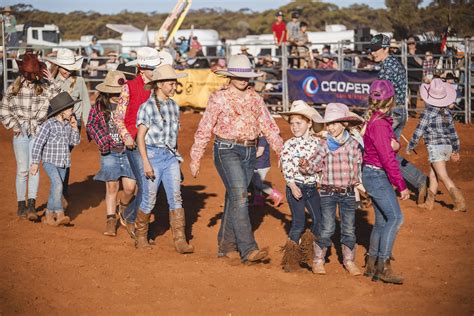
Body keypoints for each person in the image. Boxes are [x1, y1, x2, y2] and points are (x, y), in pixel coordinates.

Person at [190, 55, 283, 263]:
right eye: (238, 76)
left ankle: (226, 245)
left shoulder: (255, 98)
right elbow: (205, 127)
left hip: (250, 151)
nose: (243, 80)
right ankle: (248, 248)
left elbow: (268, 126)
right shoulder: (218, 97)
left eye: (246, 76)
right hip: (226, 149)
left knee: (235, 197)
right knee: (241, 195)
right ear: (230, 76)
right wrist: (196, 156)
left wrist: (281, 152)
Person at [113, 47, 171, 239]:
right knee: (146, 186)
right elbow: (118, 117)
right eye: (151, 67)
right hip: (135, 142)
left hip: (155, 143)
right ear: (141, 68)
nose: (154, 70)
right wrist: (126, 135)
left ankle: (130, 216)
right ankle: (132, 219)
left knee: (149, 186)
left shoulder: (159, 88)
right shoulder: (129, 87)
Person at [135, 64, 194, 252]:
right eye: (170, 83)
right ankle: (140, 236)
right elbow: (140, 137)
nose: (174, 87)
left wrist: (176, 159)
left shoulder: (174, 107)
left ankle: (180, 240)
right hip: (152, 155)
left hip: (170, 157)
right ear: (159, 84)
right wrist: (145, 162)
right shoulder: (147, 107)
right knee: (149, 199)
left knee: (176, 196)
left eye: (174, 83)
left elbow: (173, 137)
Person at [300, 103, 364, 276]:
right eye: (329, 124)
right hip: (328, 192)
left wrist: (361, 187)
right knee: (327, 228)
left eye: (335, 123)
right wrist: (306, 166)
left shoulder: (354, 144)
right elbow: (315, 164)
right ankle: (318, 260)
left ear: (344, 124)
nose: (331, 127)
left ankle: (349, 261)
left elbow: (359, 166)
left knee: (349, 229)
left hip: (348, 192)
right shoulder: (324, 144)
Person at [0, 53, 61, 220]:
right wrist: (14, 125)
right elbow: (4, 110)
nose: (33, 77)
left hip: (37, 131)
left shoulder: (44, 87)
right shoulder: (13, 89)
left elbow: (58, 98)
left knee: (34, 168)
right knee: (23, 170)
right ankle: (22, 205)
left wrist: (52, 80)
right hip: (22, 131)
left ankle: (31, 207)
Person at [370, 34, 428, 204]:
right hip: (400, 111)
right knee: (387, 151)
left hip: (390, 112)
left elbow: (382, 96)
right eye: (372, 49)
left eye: (376, 49)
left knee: (381, 149)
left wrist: (376, 115)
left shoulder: (387, 67)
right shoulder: (395, 63)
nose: (373, 53)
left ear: (386, 48)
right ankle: (418, 180)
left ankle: (415, 180)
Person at [362, 80, 409, 284]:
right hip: (377, 174)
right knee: (396, 218)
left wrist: (395, 145)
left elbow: (387, 148)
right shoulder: (380, 123)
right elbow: (387, 157)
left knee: (382, 220)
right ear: (390, 100)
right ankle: (383, 265)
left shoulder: (375, 120)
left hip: (371, 173)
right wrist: (401, 185)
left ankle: (372, 264)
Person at [86, 71, 136, 236]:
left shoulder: (130, 105)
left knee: (130, 187)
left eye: (119, 92)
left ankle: (122, 207)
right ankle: (110, 219)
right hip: (109, 152)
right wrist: (101, 139)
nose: (116, 96)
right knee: (112, 186)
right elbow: (91, 124)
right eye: (113, 92)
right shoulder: (99, 107)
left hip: (129, 151)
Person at [407, 79, 466, 212]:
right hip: (447, 146)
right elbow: (453, 132)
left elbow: (419, 130)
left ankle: (459, 201)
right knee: (433, 174)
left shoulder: (427, 113)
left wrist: (411, 144)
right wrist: (456, 149)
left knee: (443, 176)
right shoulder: (447, 113)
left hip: (435, 147)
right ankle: (429, 202)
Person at [279, 100, 324, 272]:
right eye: (292, 123)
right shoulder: (289, 144)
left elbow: (320, 164)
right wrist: (291, 185)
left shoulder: (318, 143)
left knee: (318, 220)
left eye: (299, 123)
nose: (295, 127)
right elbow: (286, 166)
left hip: (312, 188)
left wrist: (320, 180)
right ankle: (291, 259)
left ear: (309, 123)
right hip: (295, 186)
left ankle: (306, 249)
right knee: (298, 222)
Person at [30, 92, 81, 226]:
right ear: (62, 111)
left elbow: (75, 142)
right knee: (58, 185)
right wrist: (35, 162)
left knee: (55, 187)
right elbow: (38, 143)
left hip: (63, 162)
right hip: (49, 161)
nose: (72, 111)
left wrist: (75, 128)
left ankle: (48, 215)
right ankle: (59, 214)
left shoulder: (69, 124)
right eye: (70, 109)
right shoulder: (49, 124)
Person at [45, 48, 90, 198]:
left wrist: (88, 125)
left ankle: (61, 190)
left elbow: (86, 104)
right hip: (54, 123)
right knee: (60, 156)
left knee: (64, 154)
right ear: (58, 66)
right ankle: (60, 189)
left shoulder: (79, 81)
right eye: (65, 68)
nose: (68, 71)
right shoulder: (49, 81)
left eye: (70, 68)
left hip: (72, 122)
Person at [251, 135, 283, 207]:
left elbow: (260, 152)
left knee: (258, 184)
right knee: (255, 184)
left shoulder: (262, 139)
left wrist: (249, 158)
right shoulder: (258, 138)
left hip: (262, 165)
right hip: (258, 164)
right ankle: (258, 201)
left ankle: (277, 195)